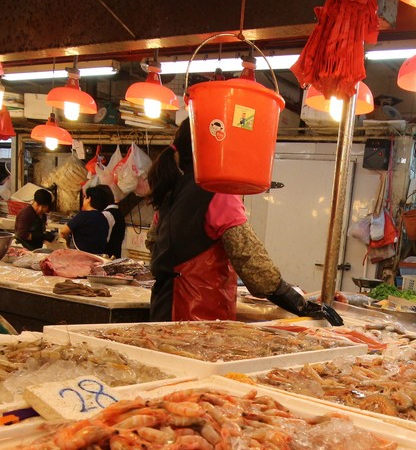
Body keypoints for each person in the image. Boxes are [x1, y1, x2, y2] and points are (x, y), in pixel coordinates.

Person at [144, 119, 342, 325]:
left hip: (162, 308)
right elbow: (251, 261)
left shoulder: (170, 189)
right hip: (197, 316)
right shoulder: (219, 190)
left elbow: (153, 243)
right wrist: (300, 304)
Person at [60, 184, 118, 256]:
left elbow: (63, 232)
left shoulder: (83, 215)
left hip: (79, 258)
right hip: (96, 259)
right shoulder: (103, 219)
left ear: (89, 199)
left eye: (85, 197)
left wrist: (67, 241)